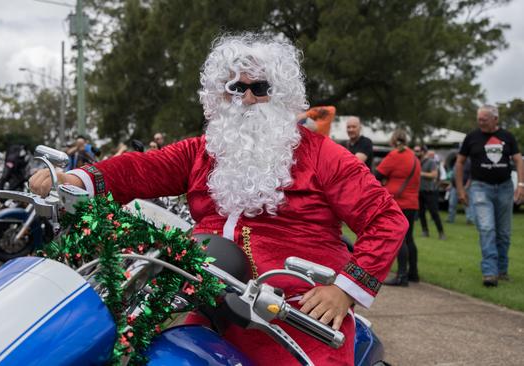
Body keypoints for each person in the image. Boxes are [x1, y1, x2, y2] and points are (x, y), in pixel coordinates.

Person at [30, 33, 407, 365]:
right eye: (235, 88)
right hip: (207, 300)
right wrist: (73, 177)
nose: (246, 97)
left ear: (281, 95)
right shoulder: (203, 151)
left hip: (291, 313)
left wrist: (343, 290)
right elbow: (140, 170)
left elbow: (386, 220)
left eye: (259, 88)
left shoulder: (324, 155)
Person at [455, 105, 524, 287]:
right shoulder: (472, 137)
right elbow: (460, 162)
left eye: (484, 119)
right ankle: (489, 272)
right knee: (486, 229)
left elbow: (518, 159)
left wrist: (521, 185)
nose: (480, 122)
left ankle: (502, 270)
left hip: (505, 188)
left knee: (503, 232)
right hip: (480, 188)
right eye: (479, 119)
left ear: (495, 119)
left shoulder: (507, 137)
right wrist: (461, 189)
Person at [375, 130, 421, 286]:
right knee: (409, 238)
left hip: (398, 202)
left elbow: (377, 174)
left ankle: (401, 276)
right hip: (413, 202)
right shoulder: (414, 157)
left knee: (400, 239)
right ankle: (413, 273)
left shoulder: (395, 155)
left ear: (393, 140)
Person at [416, 147, 446, 239]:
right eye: (415, 150)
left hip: (429, 191)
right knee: (421, 213)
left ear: (423, 152)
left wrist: (420, 173)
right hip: (419, 191)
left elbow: (434, 174)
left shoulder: (431, 162)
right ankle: (425, 231)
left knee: (434, 212)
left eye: (417, 151)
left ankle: (441, 233)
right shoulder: (416, 162)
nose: (415, 152)